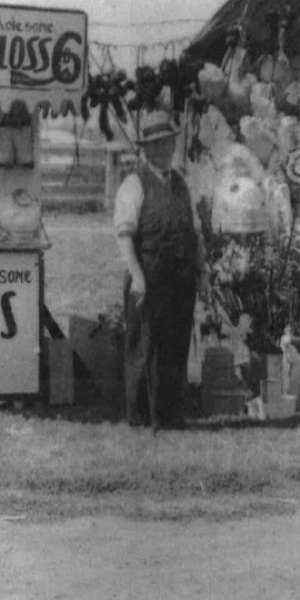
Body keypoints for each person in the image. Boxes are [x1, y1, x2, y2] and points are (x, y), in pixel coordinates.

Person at [114, 110, 205, 429]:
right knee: (145, 347)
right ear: (147, 150)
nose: (165, 150)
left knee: (176, 347)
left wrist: (202, 272)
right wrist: (137, 278)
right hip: (148, 279)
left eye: (168, 144)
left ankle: (171, 416)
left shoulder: (181, 183)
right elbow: (124, 236)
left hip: (180, 280)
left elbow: (195, 232)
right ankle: (141, 418)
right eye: (158, 145)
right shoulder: (133, 185)